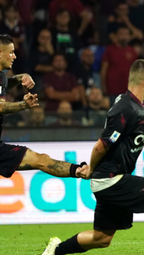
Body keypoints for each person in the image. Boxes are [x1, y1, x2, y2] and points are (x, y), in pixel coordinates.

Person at [42, 59, 144, 255]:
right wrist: (91, 168)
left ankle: (55, 251)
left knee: (102, 238)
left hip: (110, 178)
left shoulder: (136, 105)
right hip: (110, 179)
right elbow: (101, 146)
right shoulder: (125, 108)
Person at [0, 34, 88, 179]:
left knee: (40, 160)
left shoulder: (1, 77)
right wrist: (23, 105)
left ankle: (78, 170)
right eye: (11, 52)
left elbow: (5, 83)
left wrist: (20, 77)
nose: (14, 56)